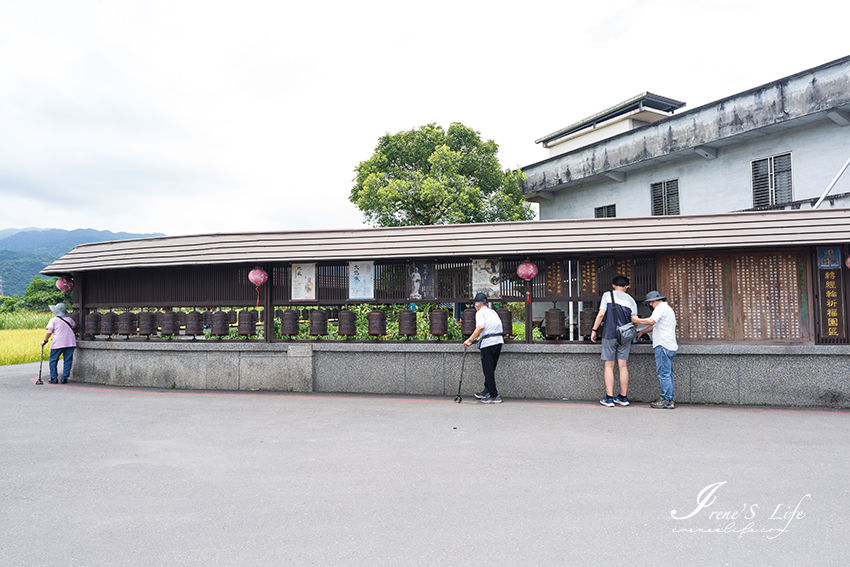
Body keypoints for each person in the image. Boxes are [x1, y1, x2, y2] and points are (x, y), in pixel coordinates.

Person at [590, 275, 638, 407]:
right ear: (626, 286)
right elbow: (635, 321)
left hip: (609, 334)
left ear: (613, 285)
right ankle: (623, 398)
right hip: (625, 336)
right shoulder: (631, 300)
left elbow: (601, 314)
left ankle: (609, 398)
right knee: (623, 366)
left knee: (609, 366)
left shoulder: (607, 295)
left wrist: (594, 330)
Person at [632, 291, 678, 409]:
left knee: (664, 374)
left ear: (654, 301)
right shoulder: (667, 309)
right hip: (670, 345)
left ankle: (666, 399)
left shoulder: (660, 308)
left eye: (650, 302)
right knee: (668, 374)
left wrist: (636, 320)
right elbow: (654, 326)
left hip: (663, 345)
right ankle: (669, 398)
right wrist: (642, 331)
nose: (650, 305)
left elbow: (651, 321)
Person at [463, 292, 504, 404]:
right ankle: (487, 391)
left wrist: (470, 340)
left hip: (488, 342)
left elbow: (481, 326)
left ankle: (494, 395)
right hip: (498, 341)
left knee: (488, 370)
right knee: (490, 369)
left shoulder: (480, 313)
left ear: (477, 304)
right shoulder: (492, 312)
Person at [42, 302, 76, 384]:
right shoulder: (70, 319)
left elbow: (49, 332)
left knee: (53, 360)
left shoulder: (53, 320)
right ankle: (64, 378)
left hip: (58, 343)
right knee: (68, 360)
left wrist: (45, 340)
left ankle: (54, 378)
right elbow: (73, 326)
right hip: (70, 342)